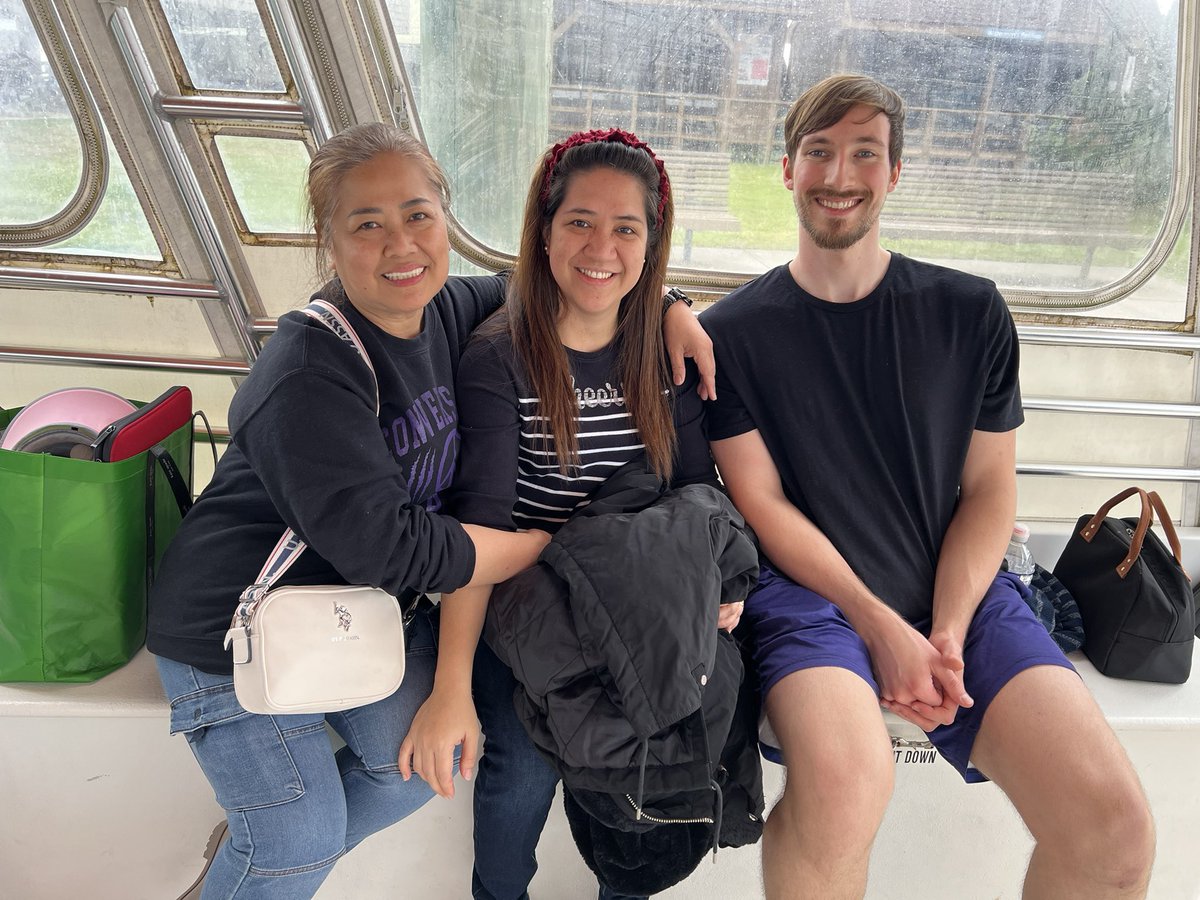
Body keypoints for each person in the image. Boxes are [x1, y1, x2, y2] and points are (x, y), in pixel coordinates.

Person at [147, 122, 714, 900]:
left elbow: (577, 275)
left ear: (445, 219)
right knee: (296, 837)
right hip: (235, 625)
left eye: (418, 215)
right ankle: (270, 853)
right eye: (367, 224)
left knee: (420, 767)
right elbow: (401, 552)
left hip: (347, 613)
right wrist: (546, 543)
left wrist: (673, 305)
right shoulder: (307, 373)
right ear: (330, 241)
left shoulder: (445, 306)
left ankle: (259, 856)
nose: (400, 245)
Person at [700, 75, 1156, 900]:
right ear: (786, 169)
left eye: (864, 153)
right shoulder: (728, 335)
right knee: (843, 789)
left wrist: (943, 631)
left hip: (962, 590)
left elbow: (988, 490)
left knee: (1113, 826)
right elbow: (761, 505)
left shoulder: (970, 312)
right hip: (810, 598)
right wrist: (879, 625)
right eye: (819, 152)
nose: (840, 175)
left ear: (896, 173)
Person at [398, 128, 747, 900]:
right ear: (545, 230)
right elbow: (478, 530)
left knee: (664, 741)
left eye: (627, 228)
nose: (602, 247)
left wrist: (727, 584)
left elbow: (697, 494)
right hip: (530, 601)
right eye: (580, 222)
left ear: (651, 244)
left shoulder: (668, 351)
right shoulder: (501, 358)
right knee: (521, 760)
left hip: (639, 598)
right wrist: (452, 684)